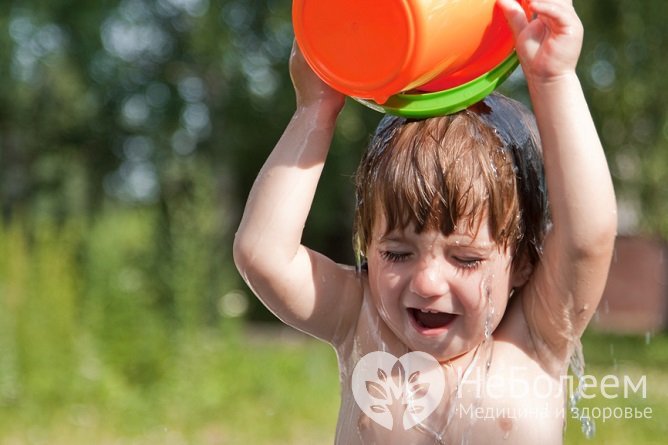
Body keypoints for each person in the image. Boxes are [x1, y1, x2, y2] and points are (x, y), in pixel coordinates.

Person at [233, 0, 617, 443]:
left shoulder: (537, 338)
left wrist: (552, 80)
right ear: (366, 245)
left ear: (525, 261)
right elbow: (262, 255)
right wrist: (315, 111)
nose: (428, 282)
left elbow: (587, 239)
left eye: (467, 258)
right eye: (397, 253)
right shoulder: (361, 321)